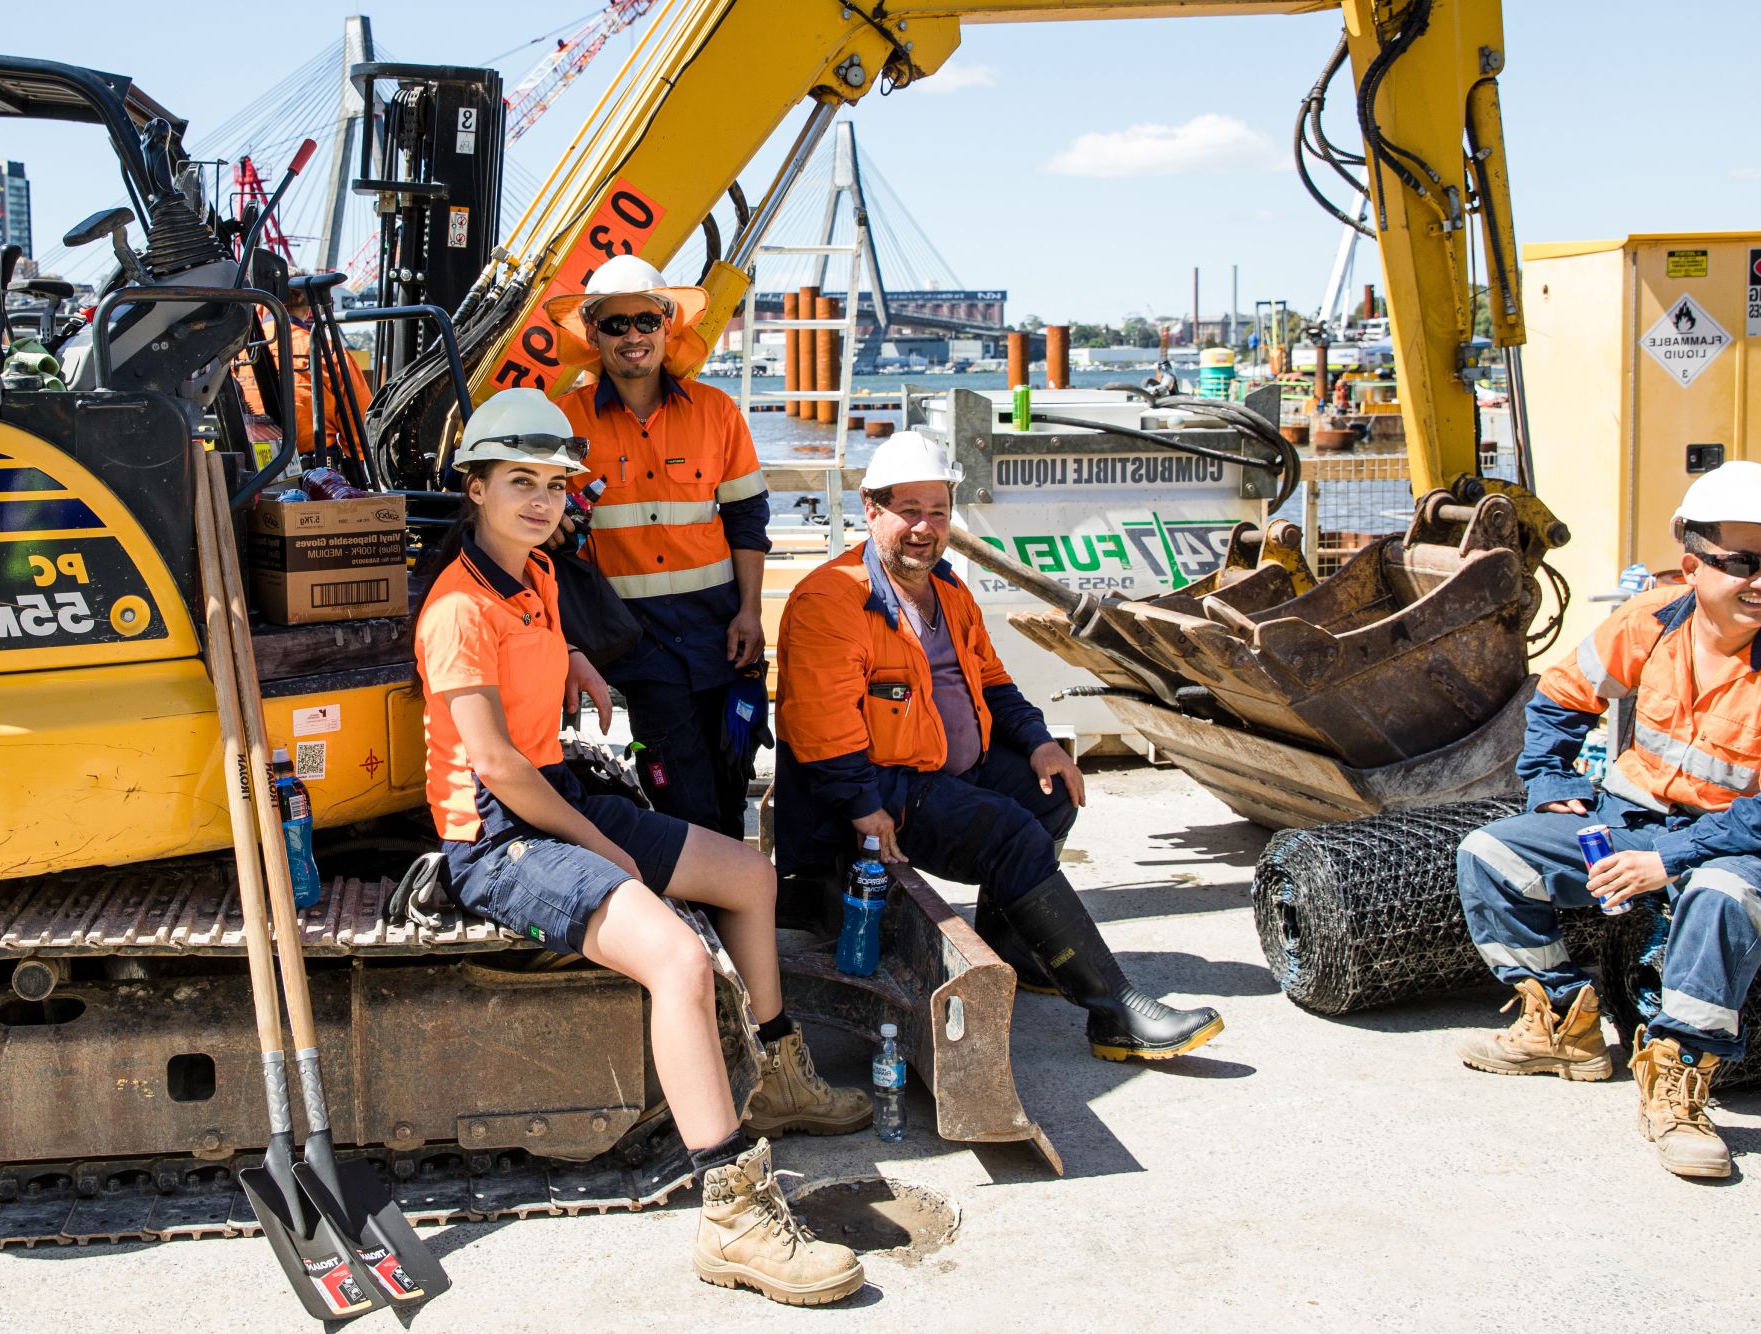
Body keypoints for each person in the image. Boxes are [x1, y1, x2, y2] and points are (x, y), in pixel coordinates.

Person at [412, 389, 867, 1305]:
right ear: (476, 488)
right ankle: (732, 1212)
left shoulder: (532, 575)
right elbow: (495, 766)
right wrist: (602, 848)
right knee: (678, 962)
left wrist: (576, 659)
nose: (541, 501)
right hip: (496, 834)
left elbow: (536, 660)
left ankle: (776, 1075)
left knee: (747, 874)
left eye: (552, 485)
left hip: (557, 791)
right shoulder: (457, 608)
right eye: (519, 483)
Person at [1453, 461, 1761, 1179]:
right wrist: (1549, 786)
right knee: (1492, 854)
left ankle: (1677, 1080)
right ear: (1692, 565)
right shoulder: (1648, 621)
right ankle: (1563, 1026)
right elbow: (1560, 698)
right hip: (1638, 818)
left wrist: (1669, 862)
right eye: (1744, 564)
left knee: (1719, 894)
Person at [772, 431, 1224, 1062]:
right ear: (871, 509)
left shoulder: (949, 589)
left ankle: (1018, 955)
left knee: (1050, 799)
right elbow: (822, 727)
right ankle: (1113, 1011)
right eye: (909, 511)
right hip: (875, 788)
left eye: (938, 511)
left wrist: (1040, 744)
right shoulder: (833, 599)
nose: (925, 528)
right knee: (1008, 831)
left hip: (948, 772)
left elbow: (991, 681)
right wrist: (861, 805)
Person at [545, 257, 770, 838]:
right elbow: (533, 535)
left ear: (667, 326)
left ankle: (724, 898)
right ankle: (707, 899)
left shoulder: (717, 412)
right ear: (592, 335)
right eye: (616, 325)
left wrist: (751, 611)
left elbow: (747, 518)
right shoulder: (561, 423)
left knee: (730, 770)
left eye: (645, 319)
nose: (633, 336)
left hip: (718, 626)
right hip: (631, 635)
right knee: (679, 783)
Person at [233, 276, 372, 462]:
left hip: (249, 468)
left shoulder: (238, 352)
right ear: (308, 306)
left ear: (261, 304)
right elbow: (361, 429)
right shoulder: (327, 351)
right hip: (313, 472)